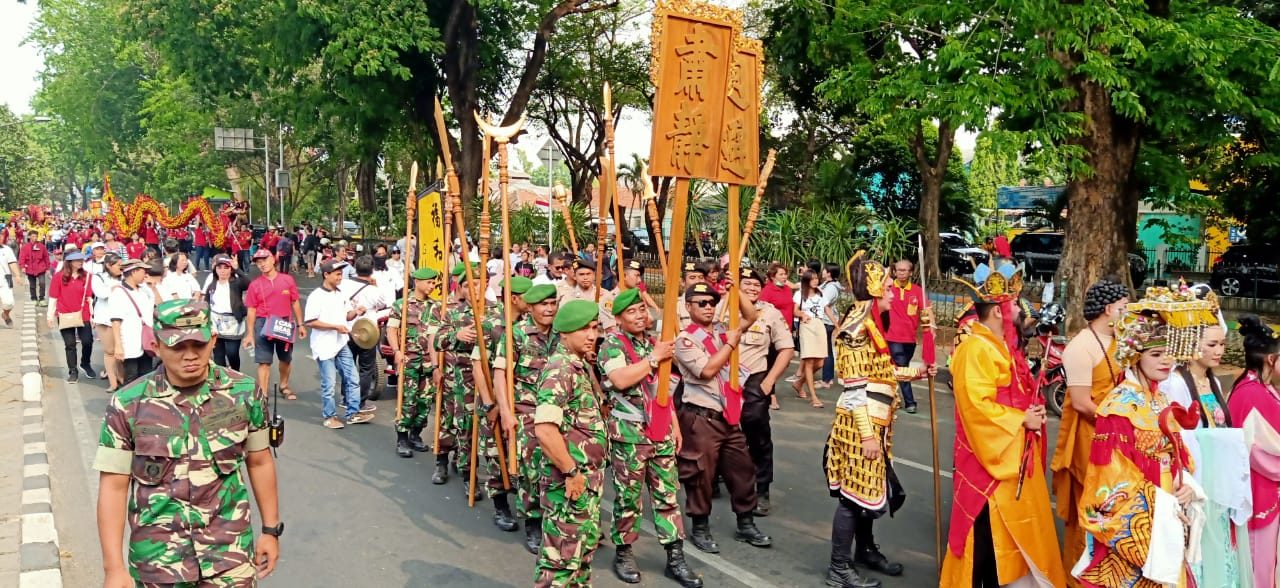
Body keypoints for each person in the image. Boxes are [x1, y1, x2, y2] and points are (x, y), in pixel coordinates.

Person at [93, 299, 281, 587]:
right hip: (159, 562)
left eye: (198, 345)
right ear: (156, 346)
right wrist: (113, 568)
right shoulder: (128, 404)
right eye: (177, 347)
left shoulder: (244, 393)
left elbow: (260, 460)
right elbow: (113, 486)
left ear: (213, 340)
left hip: (229, 558)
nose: (190, 355)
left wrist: (270, 529)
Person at [1072, 289, 1211, 587]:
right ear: (1135, 355)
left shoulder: (1161, 400)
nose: (1166, 361)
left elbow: (1179, 455)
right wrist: (1162, 502)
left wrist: (1184, 484)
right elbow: (1108, 480)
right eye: (1156, 354)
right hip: (1145, 517)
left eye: (1169, 352)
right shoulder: (1118, 407)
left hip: (1168, 507)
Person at [940, 262, 1066, 587]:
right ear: (997, 310)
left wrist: (1030, 411)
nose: (1019, 309)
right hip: (988, 460)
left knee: (1008, 542)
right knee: (985, 543)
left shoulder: (1001, 346)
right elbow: (975, 409)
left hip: (1011, 452)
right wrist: (1020, 418)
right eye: (1013, 303)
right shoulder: (975, 348)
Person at [823, 251, 933, 587]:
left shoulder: (870, 324)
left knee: (868, 493)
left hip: (875, 423)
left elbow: (880, 372)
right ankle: (838, 568)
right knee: (852, 499)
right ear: (873, 290)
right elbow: (856, 389)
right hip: (861, 427)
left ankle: (865, 551)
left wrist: (917, 372)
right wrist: (869, 436)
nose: (891, 292)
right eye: (886, 286)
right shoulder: (856, 330)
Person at [597, 288, 701, 587]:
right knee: (628, 499)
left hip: (660, 433)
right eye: (631, 311)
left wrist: (675, 427)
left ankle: (675, 557)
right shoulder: (612, 345)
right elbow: (619, 380)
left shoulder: (656, 344)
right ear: (618, 318)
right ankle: (625, 552)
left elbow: (663, 392)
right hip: (629, 436)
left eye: (642, 308)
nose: (640, 315)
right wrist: (653, 359)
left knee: (668, 497)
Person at [673, 282, 772, 553]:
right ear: (688, 306)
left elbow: (751, 317)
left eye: (712, 303)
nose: (708, 307)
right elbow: (706, 370)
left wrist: (736, 288)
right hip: (701, 418)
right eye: (701, 303)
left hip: (729, 416)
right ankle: (700, 526)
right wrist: (730, 343)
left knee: (743, 470)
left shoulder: (721, 330)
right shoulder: (684, 340)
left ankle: (746, 522)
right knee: (700, 476)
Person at [1050, 277, 1129, 582]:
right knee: (1091, 509)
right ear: (1109, 309)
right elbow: (1083, 403)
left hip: (1119, 436)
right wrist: (1120, 422)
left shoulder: (1121, 341)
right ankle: (1078, 576)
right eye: (1123, 307)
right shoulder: (1081, 347)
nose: (1128, 312)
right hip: (1091, 438)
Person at [532, 300, 608, 587]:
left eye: (594, 327)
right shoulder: (560, 368)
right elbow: (545, 430)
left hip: (586, 481)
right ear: (564, 333)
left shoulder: (580, 365)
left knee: (581, 555)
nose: (591, 335)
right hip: (568, 483)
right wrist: (570, 472)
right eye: (583, 329)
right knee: (561, 561)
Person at [492, 283, 560, 553]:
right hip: (527, 412)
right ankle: (533, 521)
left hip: (556, 411)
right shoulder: (515, 335)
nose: (549, 309)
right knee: (532, 470)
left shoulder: (561, 333)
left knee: (556, 467)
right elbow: (500, 374)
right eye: (543, 304)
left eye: (553, 303)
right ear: (530, 307)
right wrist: (507, 413)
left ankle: (555, 519)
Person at [732, 268, 795, 516]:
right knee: (718, 432)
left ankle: (761, 488)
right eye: (746, 284)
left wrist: (769, 381)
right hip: (723, 380)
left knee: (757, 430)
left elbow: (787, 348)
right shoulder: (722, 307)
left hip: (754, 379)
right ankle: (716, 479)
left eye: (756, 285)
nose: (752, 289)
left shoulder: (770, 313)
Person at [1228, 315, 1280, 588]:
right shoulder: (1252, 393)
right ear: (1271, 359)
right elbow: (1258, 451)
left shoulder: (1259, 388)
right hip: (1260, 489)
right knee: (1260, 564)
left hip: (1265, 487)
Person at [305, 259, 372, 429]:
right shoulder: (316, 296)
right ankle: (329, 416)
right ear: (326, 275)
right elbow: (311, 321)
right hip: (324, 345)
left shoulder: (341, 294)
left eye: (341, 274)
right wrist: (334, 326)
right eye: (337, 274)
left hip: (341, 343)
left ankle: (353, 413)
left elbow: (347, 315)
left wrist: (356, 312)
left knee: (353, 378)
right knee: (329, 383)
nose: (340, 277)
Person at [387, 266, 441, 456]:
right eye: (429, 282)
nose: (432, 285)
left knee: (425, 401)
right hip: (408, 359)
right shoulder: (401, 305)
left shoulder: (436, 307)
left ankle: (415, 434)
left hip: (428, 361)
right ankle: (402, 438)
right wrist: (396, 351)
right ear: (417, 282)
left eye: (434, 282)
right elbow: (392, 330)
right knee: (407, 400)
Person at [242, 249, 306, 399]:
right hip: (263, 323)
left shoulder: (287, 280)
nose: (262, 264)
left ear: (272, 259)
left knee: (286, 359)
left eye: (264, 260)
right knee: (264, 362)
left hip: (284, 322)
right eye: (258, 262)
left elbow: (295, 302)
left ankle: (284, 385)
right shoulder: (255, 285)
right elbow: (251, 309)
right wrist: (250, 333)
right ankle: (263, 394)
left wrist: (300, 325)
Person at [342, 255, 391, 414]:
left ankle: (346, 398)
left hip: (347, 329)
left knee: (347, 366)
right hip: (367, 332)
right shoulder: (374, 290)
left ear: (355, 268)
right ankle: (360, 402)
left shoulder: (343, 285)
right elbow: (383, 304)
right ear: (372, 271)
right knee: (366, 369)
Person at [47, 251, 96, 383]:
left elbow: (89, 298)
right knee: (70, 344)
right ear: (69, 262)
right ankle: (72, 370)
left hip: (83, 313)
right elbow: (53, 297)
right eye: (77, 260)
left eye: (82, 260)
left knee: (87, 341)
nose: (81, 262)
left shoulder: (87, 276)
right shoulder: (59, 277)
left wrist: (92, 316)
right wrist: (50, 316)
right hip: (65, 313)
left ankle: (85, 363)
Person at [885, 260, 926, 414]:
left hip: (910, 338)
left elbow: (926, 310)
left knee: (900, 367)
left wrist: (931, 329)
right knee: (901, 366)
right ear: (894, 272)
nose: (901, 273)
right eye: (898, 270)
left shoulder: (917, 291)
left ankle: (891, 396)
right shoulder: (888, 288)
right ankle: (910, 401)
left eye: (905, 270)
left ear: (911, 272)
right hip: (892, 336)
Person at [107, 259, 156, 384]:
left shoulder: (144, 291)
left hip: (145, 341)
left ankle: (143, 403)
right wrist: (118, 345)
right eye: (143, 271)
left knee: (147, 375)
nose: (145, 275)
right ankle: (129, 402)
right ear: (133, 272)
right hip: (129, 342)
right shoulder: (119, 293)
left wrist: (152, 287)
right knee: (131, 377)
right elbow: (116, 321)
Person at [203, 255, 251, 371]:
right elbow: (206, 302)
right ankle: (221, 379)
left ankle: (235, 373)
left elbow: (249, 284)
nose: (223, 271)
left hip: (233, 323)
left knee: (232, 353)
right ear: (216, 269)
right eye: (220, 268)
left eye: (226, 268)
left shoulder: (236, 283)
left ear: (230, 269)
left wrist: (238, 269)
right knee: (218, 356)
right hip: (215, 323)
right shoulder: (212, 284)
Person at [793, 270, 832, 408]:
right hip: (806, 326)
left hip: (819, 325)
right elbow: (795, 310)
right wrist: (802, 315)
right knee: (809, 362)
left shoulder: (820, 293)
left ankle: (799, 383)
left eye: (817, 278)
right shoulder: (800, 294)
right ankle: (814, 397)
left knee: (820, 362)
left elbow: (827, 309)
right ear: (807, 280)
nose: (815, 281)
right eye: (813, 279)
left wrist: (837, 324)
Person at [92, 254, 124, 390]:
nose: (121, 268)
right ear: (108, 266)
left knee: (121, 351)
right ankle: (113, 382)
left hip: (122, 318)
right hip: (104, 318)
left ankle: (122, 378)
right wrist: (114, 289)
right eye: (118, 265)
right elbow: (101, 293)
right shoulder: (98, 277)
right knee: (109, 351)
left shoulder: (124, 277)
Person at [556, 259, 617, 330]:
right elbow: (563, 321)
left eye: (588, 274)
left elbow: (611, 321)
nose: (585, 278)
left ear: (594, 275)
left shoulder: (605, 295)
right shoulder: (568, 297)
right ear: (575, 277)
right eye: (581, 274)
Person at [818, 263, 843, 387]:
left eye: (824, 270)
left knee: (826, 351)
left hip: (827, 321)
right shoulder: (828, 285)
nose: (822, 272)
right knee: (826, 349)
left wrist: (835, 323)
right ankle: (827, 378)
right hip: (827, 320)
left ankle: (827, 379)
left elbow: (824, 304)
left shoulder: (831, 288)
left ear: (829, 273)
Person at [18, 231, 50, 307]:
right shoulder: (25, 247)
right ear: (29, 237)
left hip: (40, 268)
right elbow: (21, 258)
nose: (34, 238)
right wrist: (22, 267)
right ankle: (34, 299)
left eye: (36, 236)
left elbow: (46, 257)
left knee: (42, 283)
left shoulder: (42, 246)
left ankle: (42, 298)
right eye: (33, 236)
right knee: (32, 285)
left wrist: (48, 268)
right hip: (30, 269)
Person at [675, 262, 707, 330]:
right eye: (692, 278)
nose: (697, 281)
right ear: (683, 282)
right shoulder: (676, 306)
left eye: (701, 277)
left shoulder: (712, 304)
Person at [0, 238, 20, 327]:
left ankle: (5, 314)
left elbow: (12, 263)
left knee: (9, 303)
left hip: (4, 281)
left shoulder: (7, 249)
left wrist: (17, 275)